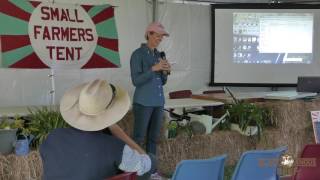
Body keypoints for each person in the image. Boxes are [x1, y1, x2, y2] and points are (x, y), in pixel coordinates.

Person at [40, 79, 156, 180]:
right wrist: (118, 132)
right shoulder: (114, 146)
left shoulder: (53, 136)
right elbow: (147, 164)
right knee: (151, 160)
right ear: (110, 116)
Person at [130, 22, 171, 155]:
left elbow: (162, 82)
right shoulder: (137, 54)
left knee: (154, 138)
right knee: (139, 138)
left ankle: (151, 169)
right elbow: (136, 81)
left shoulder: (159, 55)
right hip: (143, 103)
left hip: (158, 103)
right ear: (148, 34)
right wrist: (154, 68)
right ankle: (136, 170)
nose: (160, 39)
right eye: (157, 35)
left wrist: (165, 72)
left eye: (161, 37)